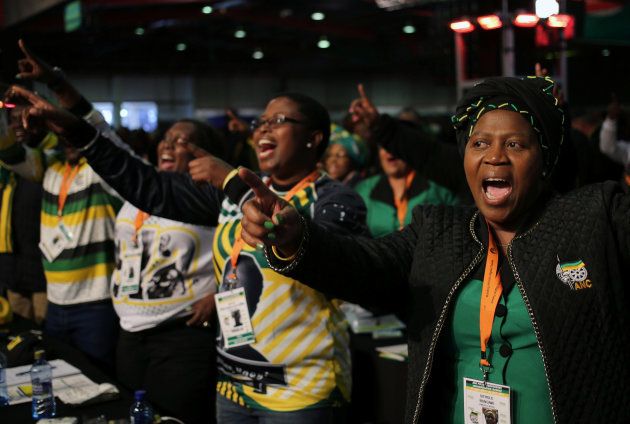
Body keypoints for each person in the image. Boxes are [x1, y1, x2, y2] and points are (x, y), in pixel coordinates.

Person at [231, 76, 630, 423]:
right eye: (479, 143)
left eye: (514, 144)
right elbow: (363, 264)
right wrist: (297, 237)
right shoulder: (440, 230)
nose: (494, 155)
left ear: (543, 160)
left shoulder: (595, 219)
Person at [8, 87, 368, 422]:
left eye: (279, 121)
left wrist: (231, 182)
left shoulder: (336, 199)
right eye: (260, 122)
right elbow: (145, 184)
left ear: (314, 138)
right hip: (234, 387)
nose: (262, 130)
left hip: (302, 389)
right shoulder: (230, 193)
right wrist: (74, 129)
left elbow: (320, 258)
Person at [1, 40, 124, 368]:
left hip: (95, 305)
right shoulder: (51, 168)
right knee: (60, 380)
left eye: (74, 129)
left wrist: (55, 83)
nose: (68, 135)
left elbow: (108, 140)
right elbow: (12, 155)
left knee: (99, 380)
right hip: (55, 303)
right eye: (63, 129)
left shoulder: (101, 173)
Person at [112, 118, 223, 423]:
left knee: (175, 417)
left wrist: (219, 295)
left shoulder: (209, 197)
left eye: (181, 140)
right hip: (129, 333)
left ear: (202, 153)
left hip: (180, 336)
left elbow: (243, 252)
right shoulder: (143, 187)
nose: (168, 144)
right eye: (166, 138)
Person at [0, 104, 54, 324]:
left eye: (27, 118)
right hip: (12, 266)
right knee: (20, 337)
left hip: (44, 268)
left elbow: (16, 155)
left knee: (48, 337)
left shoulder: (54, 155)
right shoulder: (5, 167)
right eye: (12, 119)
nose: (19, 125)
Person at [355, 145, 457, 238]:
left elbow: (457, 223)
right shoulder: (364, 189)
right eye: (383, 146)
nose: (389, 152)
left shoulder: (437, 185)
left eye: (394, 145)